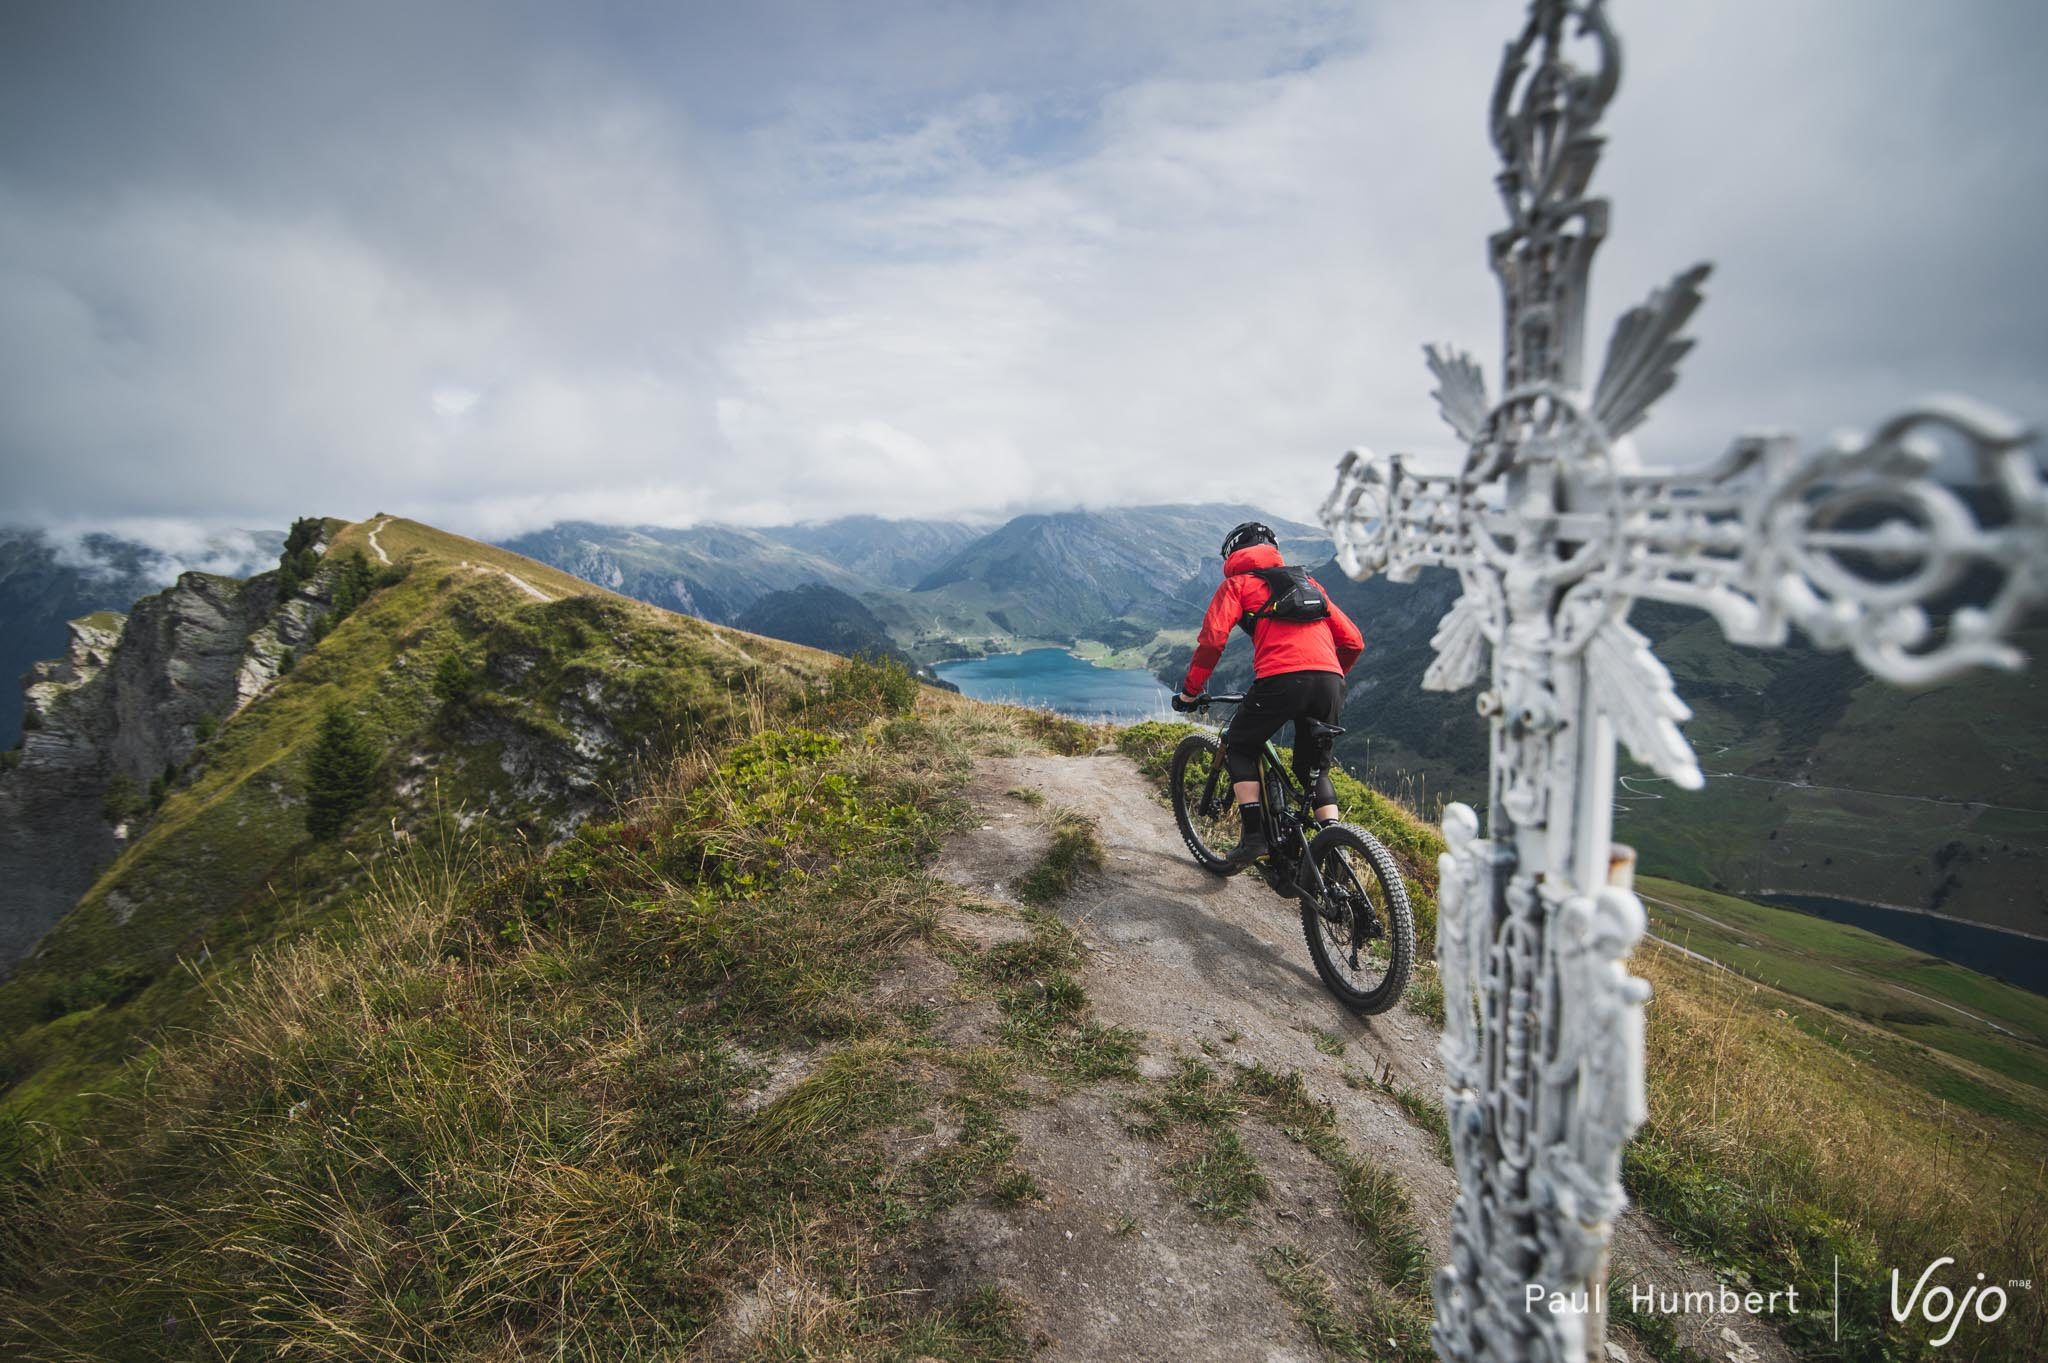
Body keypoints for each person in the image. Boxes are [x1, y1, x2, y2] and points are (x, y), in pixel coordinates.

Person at [1172, 520, 1364, 869]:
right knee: (1314, 770)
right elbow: (1353, 641)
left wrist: (1190, 692)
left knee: (1240, 745)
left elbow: (1212, 641)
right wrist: (1327, 678)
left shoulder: (1237, 584)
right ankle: (1336, 851)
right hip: (1331, 682)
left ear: (1233, 553)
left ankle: (1255, 837)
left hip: (1280, 681)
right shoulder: (1308, 583)